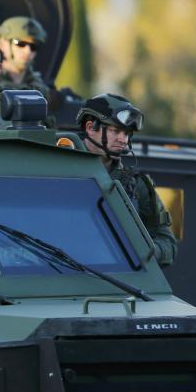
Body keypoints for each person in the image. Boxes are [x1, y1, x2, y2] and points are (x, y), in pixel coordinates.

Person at [77, 93, 178, 266]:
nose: (122, 140)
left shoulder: (136, 185)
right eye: (115, 131)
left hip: (118, 280)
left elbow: (168, 243)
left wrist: (145, 251)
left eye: (126, 133)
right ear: (90, 127)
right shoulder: (57, 171)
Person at [0, 16, 53, 100]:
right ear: (2, 44)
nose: (28, 51)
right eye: (20, 43)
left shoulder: (40, 85)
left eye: (33, 46)